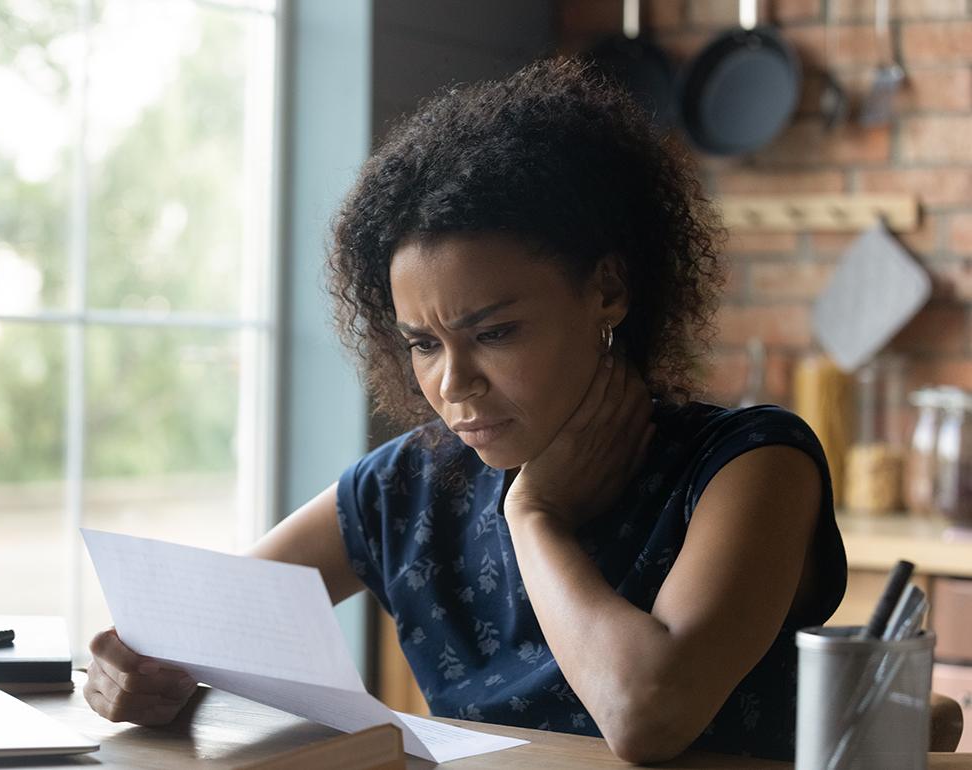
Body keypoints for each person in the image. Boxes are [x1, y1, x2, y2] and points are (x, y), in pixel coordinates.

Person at [83, 58, 846, 763]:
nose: (453, 383)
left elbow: (648, 714)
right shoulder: (407, 486)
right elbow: (187, 635)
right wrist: (129, 673)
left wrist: (534, 517)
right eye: (423, 343)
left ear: (608, 290)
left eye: (494, 333)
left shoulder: (750, 467)